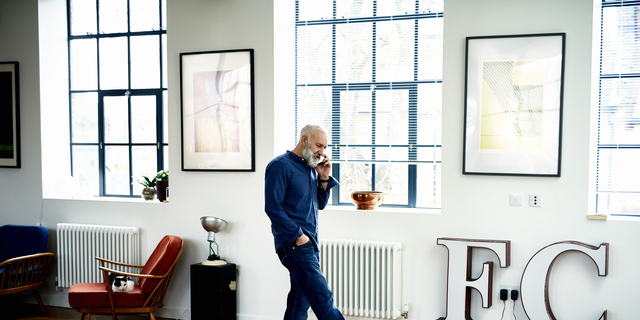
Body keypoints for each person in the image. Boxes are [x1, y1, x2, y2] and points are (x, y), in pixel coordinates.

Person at [264, 124, 345, 320]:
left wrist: (324, 177)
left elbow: (320, 204)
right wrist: (298, 236)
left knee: (299, 302)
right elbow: (272, 207)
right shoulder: (280, 166)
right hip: (294, 243)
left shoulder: (310, 168)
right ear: (304, 140)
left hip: (310, 244)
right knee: (323, 298)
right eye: (319, 145)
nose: (322, 152)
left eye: (325, 147)